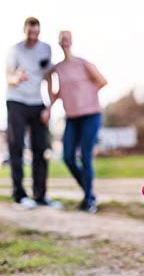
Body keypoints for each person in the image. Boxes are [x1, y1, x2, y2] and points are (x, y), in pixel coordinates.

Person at [43, 31, 107, 213]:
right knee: (68, 157)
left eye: (66, 39)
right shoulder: (58, 68)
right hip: (71, 117)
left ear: (71, 41)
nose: (64, 42)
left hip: (90, 115)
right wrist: (48, 108)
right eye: (61, 39)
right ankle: (90, 192)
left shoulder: (83, 63)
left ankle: (89, 199)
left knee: (85, 156)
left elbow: (102, 81)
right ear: (58, 43)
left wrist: (85, 93)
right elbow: (53, 86)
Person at [6, 17, 61, 210]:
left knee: (40, 149)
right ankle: (19, 195)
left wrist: (48, 107)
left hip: (37, 102)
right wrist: (17, 78)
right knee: (17, 147)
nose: (33, 37)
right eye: (29, 33)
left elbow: (48, 77)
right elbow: (9, 77)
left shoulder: (45, 48)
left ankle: (40, 195)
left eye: (36, 33)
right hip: (17, 102)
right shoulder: (15, 50)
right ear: (24, 31)